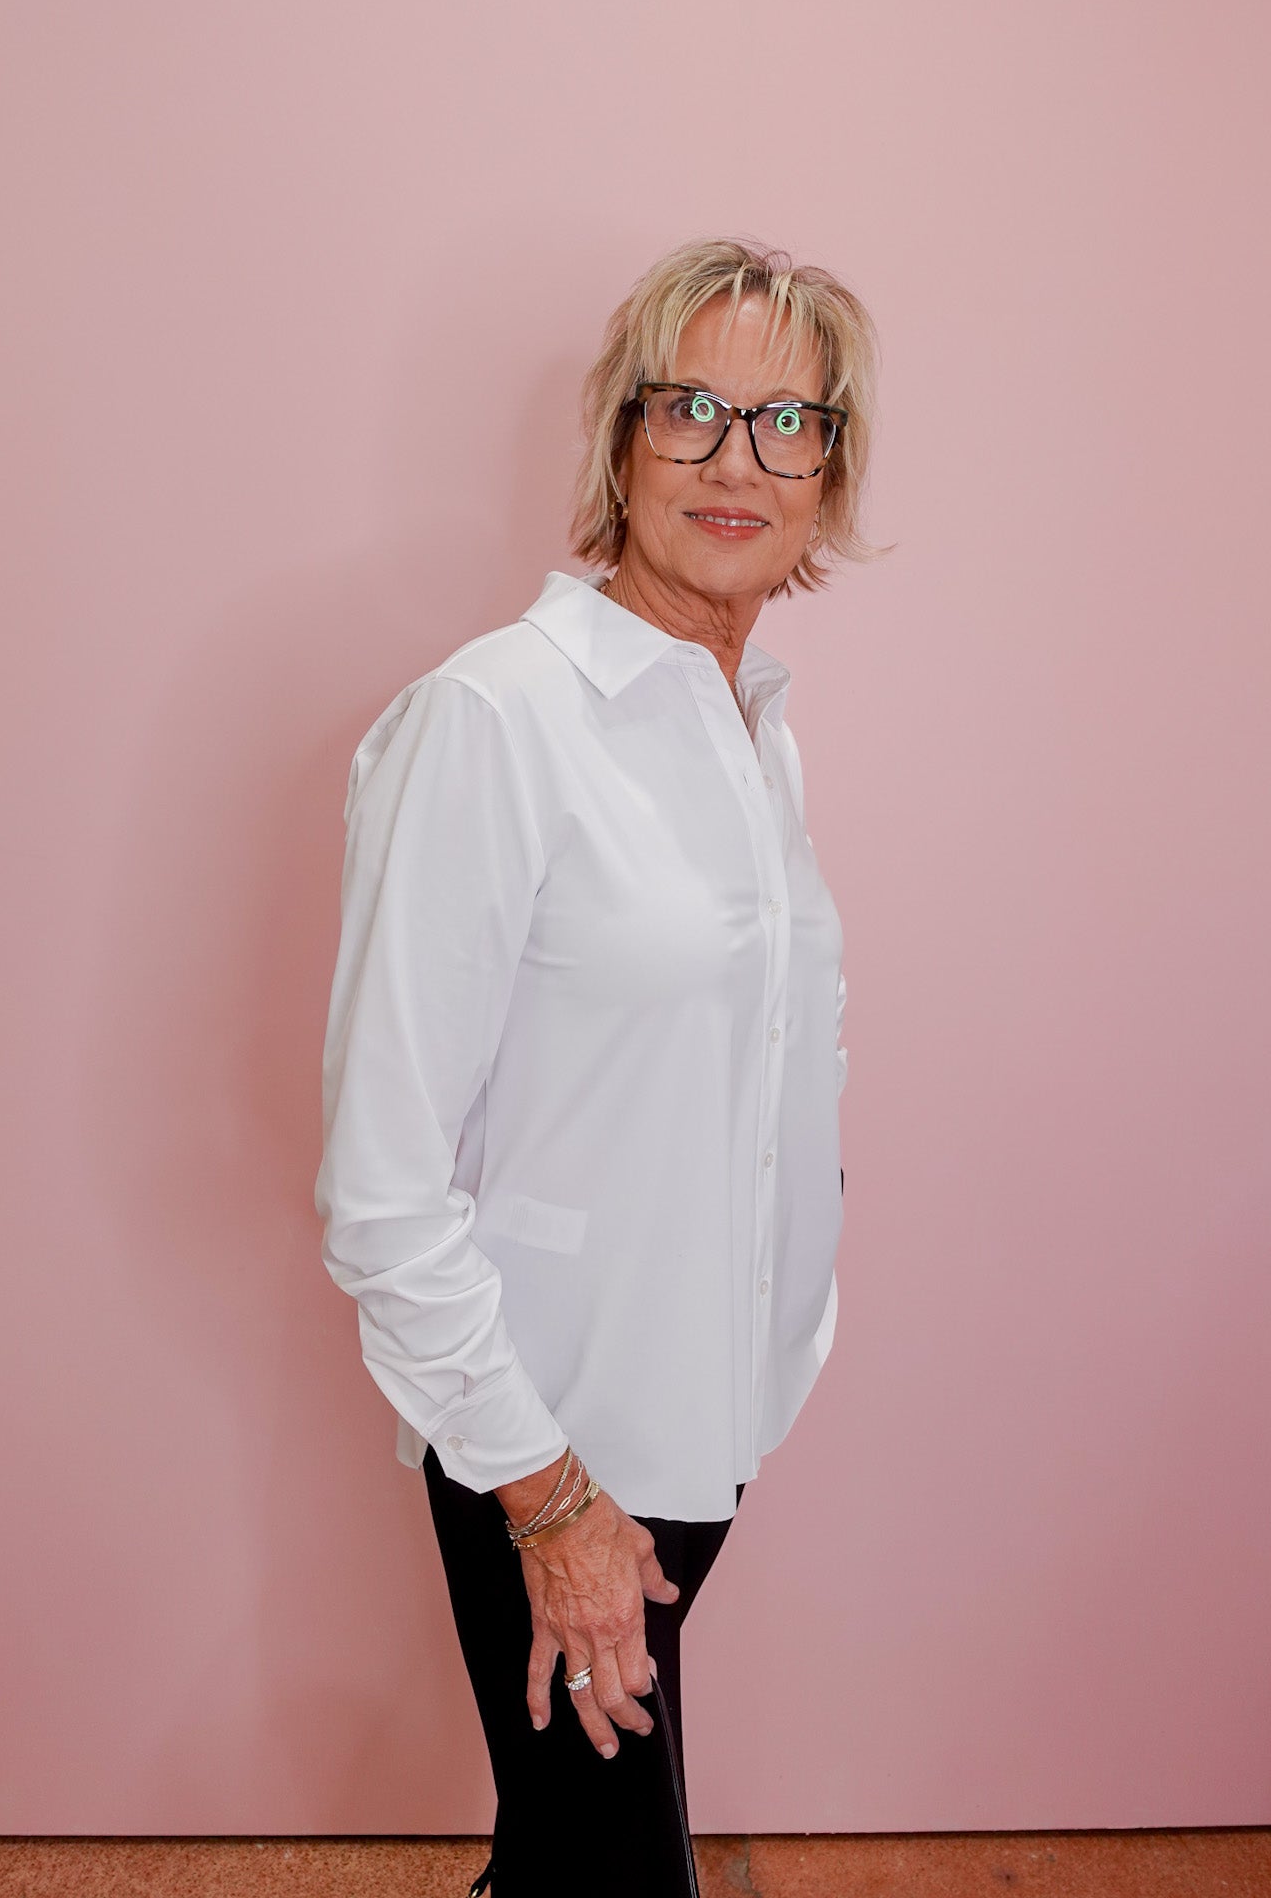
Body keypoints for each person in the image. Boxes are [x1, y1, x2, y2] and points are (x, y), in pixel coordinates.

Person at [314, 236, 880, 1895]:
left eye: (788, 423)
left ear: (830, 470)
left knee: (574, 1837)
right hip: (553, 1425)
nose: (735, 459)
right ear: (621, 439)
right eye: (691, 407)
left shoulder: (749, 721)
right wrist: (551, 1502)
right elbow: (381, 1188)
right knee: (611, 1862)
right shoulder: (491, 721)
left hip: (707, 1404)